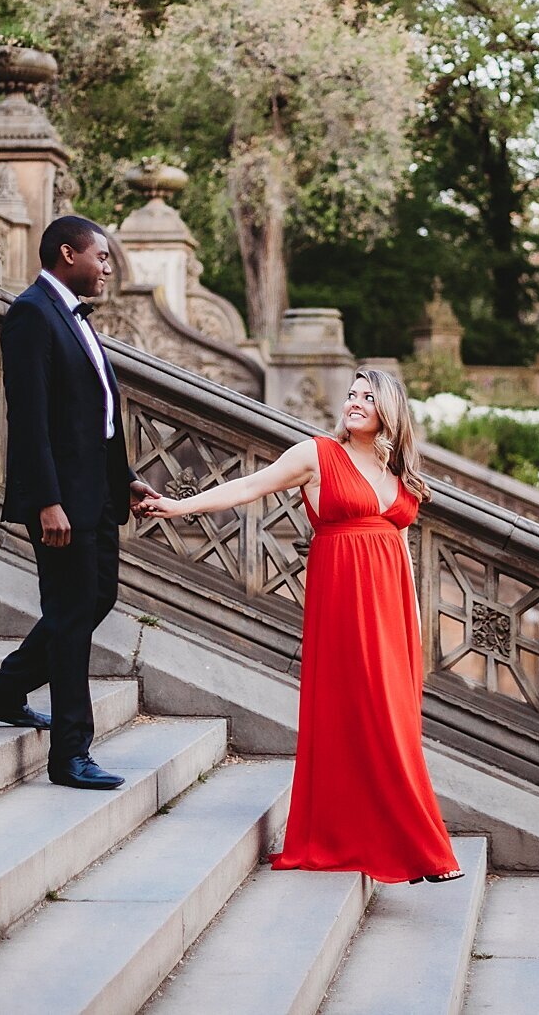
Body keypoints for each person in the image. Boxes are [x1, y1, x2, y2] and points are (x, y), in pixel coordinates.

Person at [139, 368, 463, 883]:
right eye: (351, 395)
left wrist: (415, 627)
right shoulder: (316, 454)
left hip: (392, 613)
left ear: (389, 411)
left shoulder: (396, 471)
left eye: (366, 397)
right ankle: (422, 847)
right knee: (365, 718)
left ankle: (389, 838)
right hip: (343, 605)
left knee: (396, 724)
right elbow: (249, 487)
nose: (354, 403)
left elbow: (401, 546)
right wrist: (181, 506)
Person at [0, 215, 154, 790]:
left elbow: (92, 416)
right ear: (67, 254)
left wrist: (123, 477)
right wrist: (47, 501)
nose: (106, 268)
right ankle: (70, 754)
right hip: (62, 503)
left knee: (97, 598)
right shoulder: (30, 313)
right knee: (73, 620)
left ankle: (0, 693)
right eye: (101, 258)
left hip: (96, 494)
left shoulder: (71, 314)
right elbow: (29, 419)